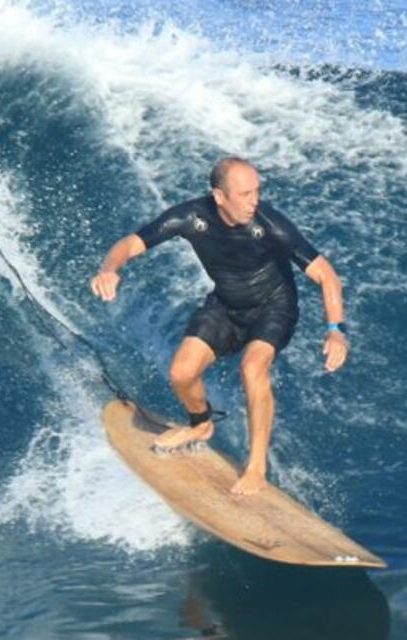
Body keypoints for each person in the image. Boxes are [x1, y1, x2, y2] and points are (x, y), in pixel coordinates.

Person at [90, 157, 348, 495]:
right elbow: (130, 243)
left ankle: (256, 467)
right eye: (244, 194)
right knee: (182, 373)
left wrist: (335, 330)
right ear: (219, 196)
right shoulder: (190, 217)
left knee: (252, 367)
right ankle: (200, 426)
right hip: (226, 305)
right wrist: (109, 269)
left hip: (274, 309)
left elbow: (326, 275)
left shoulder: (271, 225)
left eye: (257, 191)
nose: (254, 201)